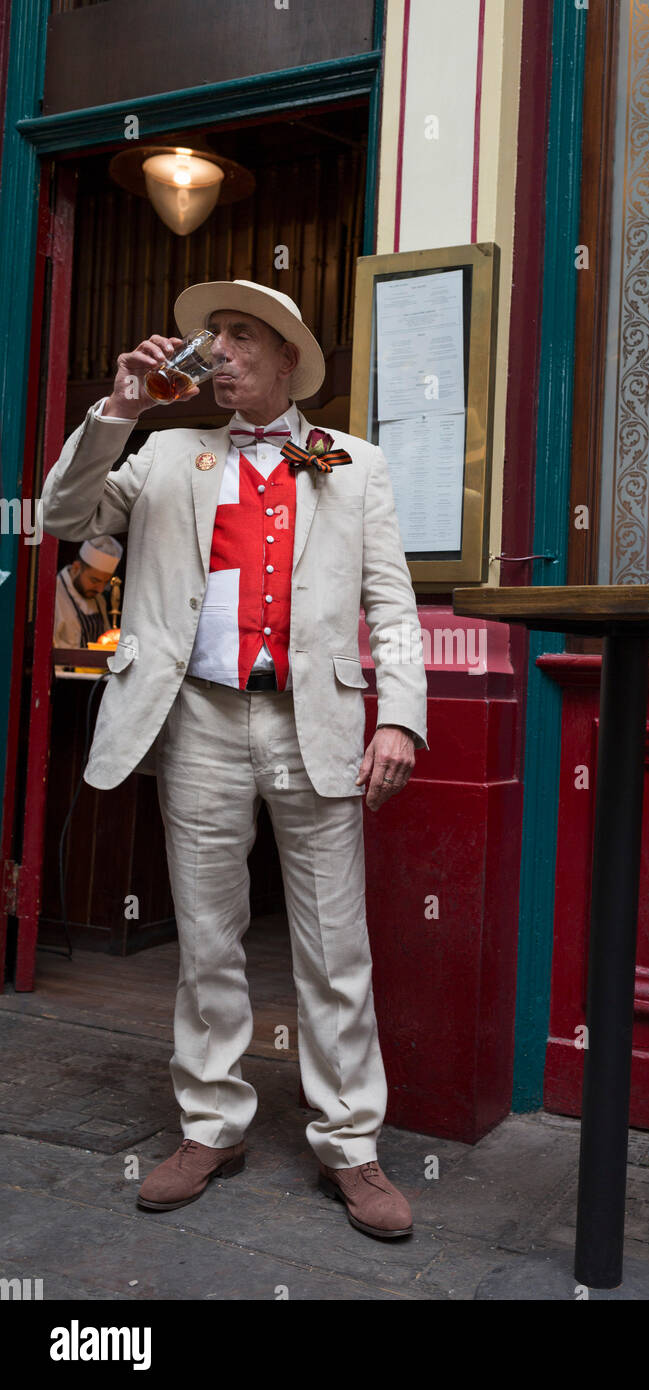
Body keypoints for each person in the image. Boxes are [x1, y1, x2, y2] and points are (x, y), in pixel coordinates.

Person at [40, 279, 428, 1240]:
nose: (217, 349)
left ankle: (349, 1142)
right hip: (199, 721)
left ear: (285, 361)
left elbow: (393, 605)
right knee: (207, 936)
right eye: (210, 334)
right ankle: (212, 1125)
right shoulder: (165, 452)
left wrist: (403, 718)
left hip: (317, 723)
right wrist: (120, 406)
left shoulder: (354, 464)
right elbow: (59, 516)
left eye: (239, 336)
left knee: (335, 948)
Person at [53, 535, 123, 648]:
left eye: (105, 582)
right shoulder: (54, 596)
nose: (100, 589)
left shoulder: (98, 599)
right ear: (76, 568)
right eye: (95, 581)